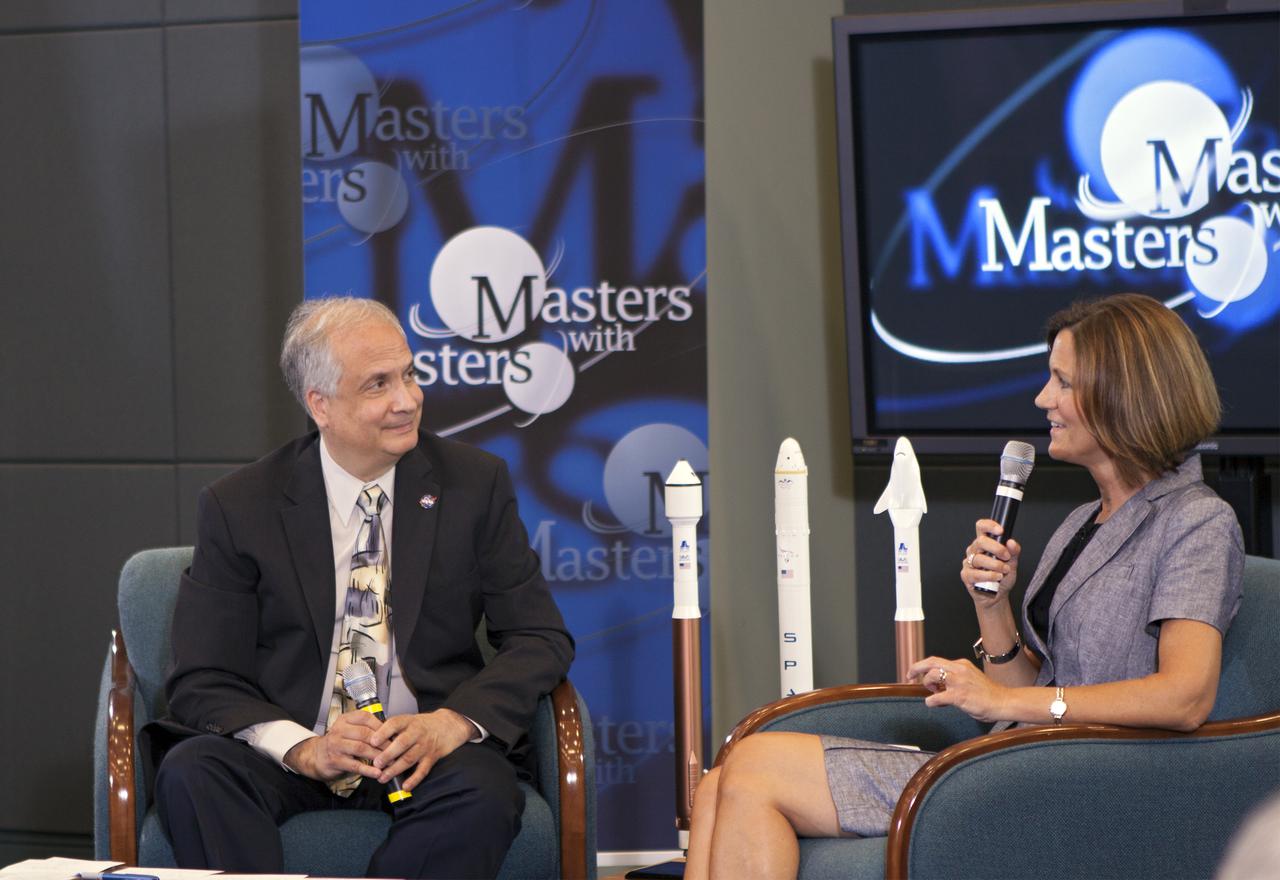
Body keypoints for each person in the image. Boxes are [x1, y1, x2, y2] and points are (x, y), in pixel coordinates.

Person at [685, 293, 1244, 879]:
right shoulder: (1086, 520)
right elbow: (1039, 686)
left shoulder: (1197, 521)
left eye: (1063, 382)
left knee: (757, 764)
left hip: (1088, 780)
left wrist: (1000, 701)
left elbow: (1185, 697)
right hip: (1025, 759)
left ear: (1123, 394)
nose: (1043, 399)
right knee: (722, 781)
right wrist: (993, 607)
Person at [146, 296, 574, 879]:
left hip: (423, 748)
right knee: (193, 771)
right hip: (295, 745)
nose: (407, 400)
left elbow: (539, 637)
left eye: (409, 375)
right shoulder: (240, 505)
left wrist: (449, 724)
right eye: (378, 384)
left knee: (484, 791)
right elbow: (202, 676)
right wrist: (303, 747)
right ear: (319, 404)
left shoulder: (474, 484)